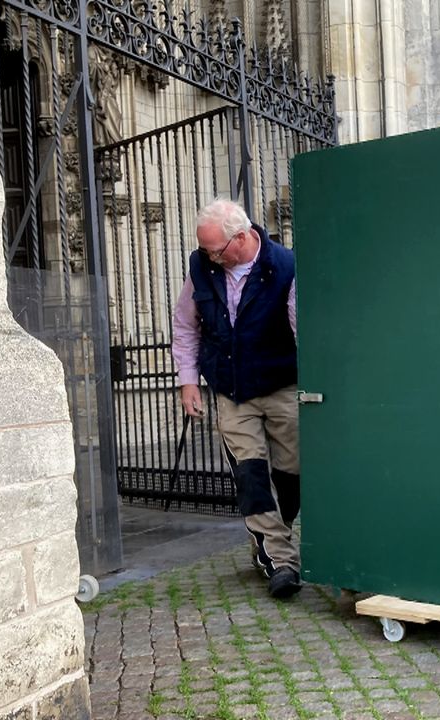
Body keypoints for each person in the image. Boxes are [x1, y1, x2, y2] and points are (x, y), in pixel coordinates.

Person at [171, 196, 303, 599]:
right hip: (231, 390)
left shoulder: (286, 266)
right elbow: (185, 325)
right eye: (205, 249)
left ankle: (272, 535)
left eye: (215, 249)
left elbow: (301, 327)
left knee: (293, 473)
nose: (209, 256)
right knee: (250, 472)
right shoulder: (201, 269)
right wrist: (188, 382)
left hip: (282, 384)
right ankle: (280, 560)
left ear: (242, 238)